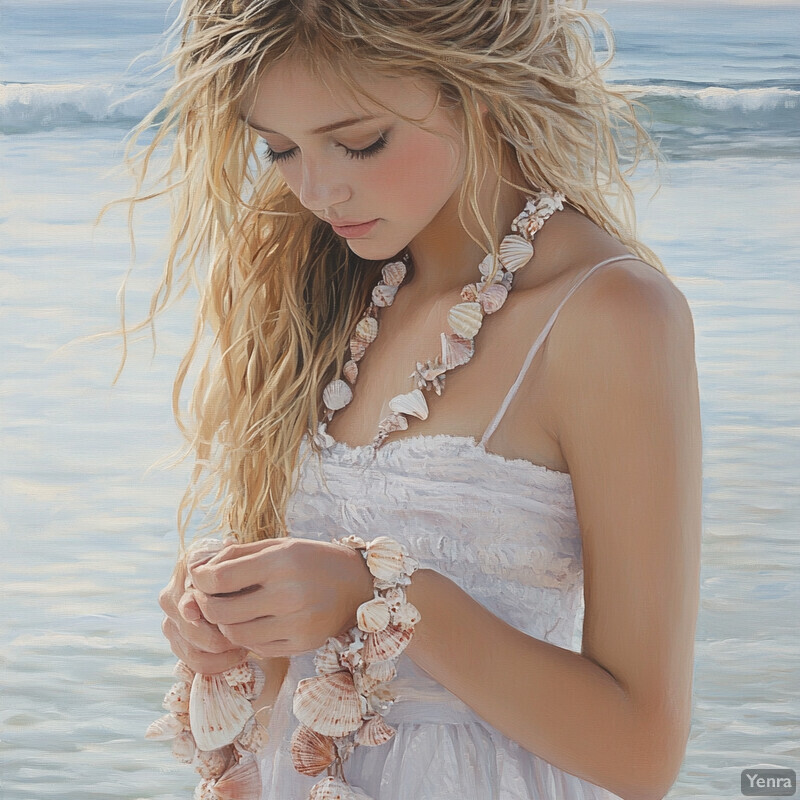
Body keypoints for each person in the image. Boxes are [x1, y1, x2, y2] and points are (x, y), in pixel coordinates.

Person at [136, 1, 703, 798]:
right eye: (280, 150)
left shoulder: (608, 315)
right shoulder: (325, 294)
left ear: (474, 90)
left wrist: (379, 595)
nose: (318, 189)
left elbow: (643, 756)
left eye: (360, 142)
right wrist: (233, 624)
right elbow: (302, 679)